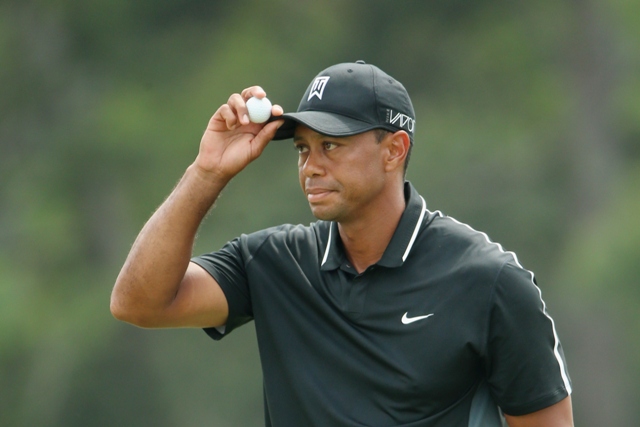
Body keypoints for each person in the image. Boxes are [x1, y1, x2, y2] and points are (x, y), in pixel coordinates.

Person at [111, 61, 574, 426]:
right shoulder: (275, 264)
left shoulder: (489, 282)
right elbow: (138, 303)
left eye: (331, 145)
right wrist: (207, 173)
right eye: (302, 149)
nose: (311, 166)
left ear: (393, 150)